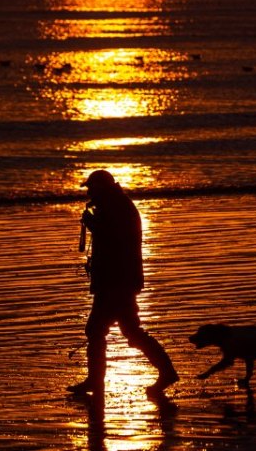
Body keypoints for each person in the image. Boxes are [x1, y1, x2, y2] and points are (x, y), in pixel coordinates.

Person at [68, 169, 178, 398]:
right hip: (120, 280)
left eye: (91, 188)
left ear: (101, 188)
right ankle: (165, 372)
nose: (89, 192)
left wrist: (93, 225)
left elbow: (115, 240)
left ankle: (95, 381)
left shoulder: (116, 207)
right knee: (130, 331)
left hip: (116, 282)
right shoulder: (116, 204)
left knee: (97, 330)